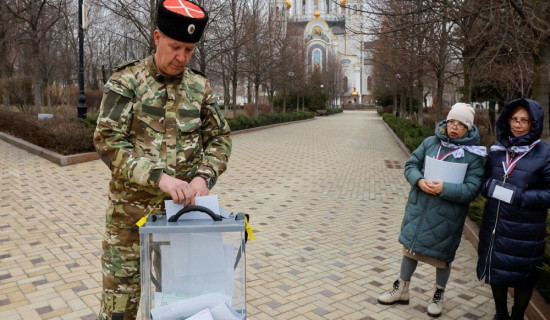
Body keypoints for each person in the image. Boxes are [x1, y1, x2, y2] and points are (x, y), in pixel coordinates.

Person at [93, 1, 232, 319]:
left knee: (179, 307)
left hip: (181, 222)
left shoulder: (200, 87)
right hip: (129, 223)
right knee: (118, 310)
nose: (181, 57)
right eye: (174, 47)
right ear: (157, 38)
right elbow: (108, 141)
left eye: (189, 49)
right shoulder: (127, 81)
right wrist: (159, 177)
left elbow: (220, 138)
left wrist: (203, 177)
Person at [377, 103, 486, 317]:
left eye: (461, 125)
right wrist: (418, 181)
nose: (454, 127)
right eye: (451, 122)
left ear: (468, 129)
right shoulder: (431, 143)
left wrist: (445, 188)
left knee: (442, 256)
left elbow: (472, 189)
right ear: (446, 123)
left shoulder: (472, 155)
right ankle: (402, 288)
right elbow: (411, 165)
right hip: (420, 209)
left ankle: (438, 293)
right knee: (410, 248)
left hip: (447, 215)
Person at [476, 98, 550, 320]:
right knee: (496, 271)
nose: (517, 125)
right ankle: (501, 314)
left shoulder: (544, 153)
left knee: (524, 276)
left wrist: (520, 196)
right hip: (496, 224)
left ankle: (517, 316)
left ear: (533, 123)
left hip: (525, 230)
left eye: (524, 121)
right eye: (514, 119)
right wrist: (486, 186)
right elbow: (485, 178)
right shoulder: (498, 150)